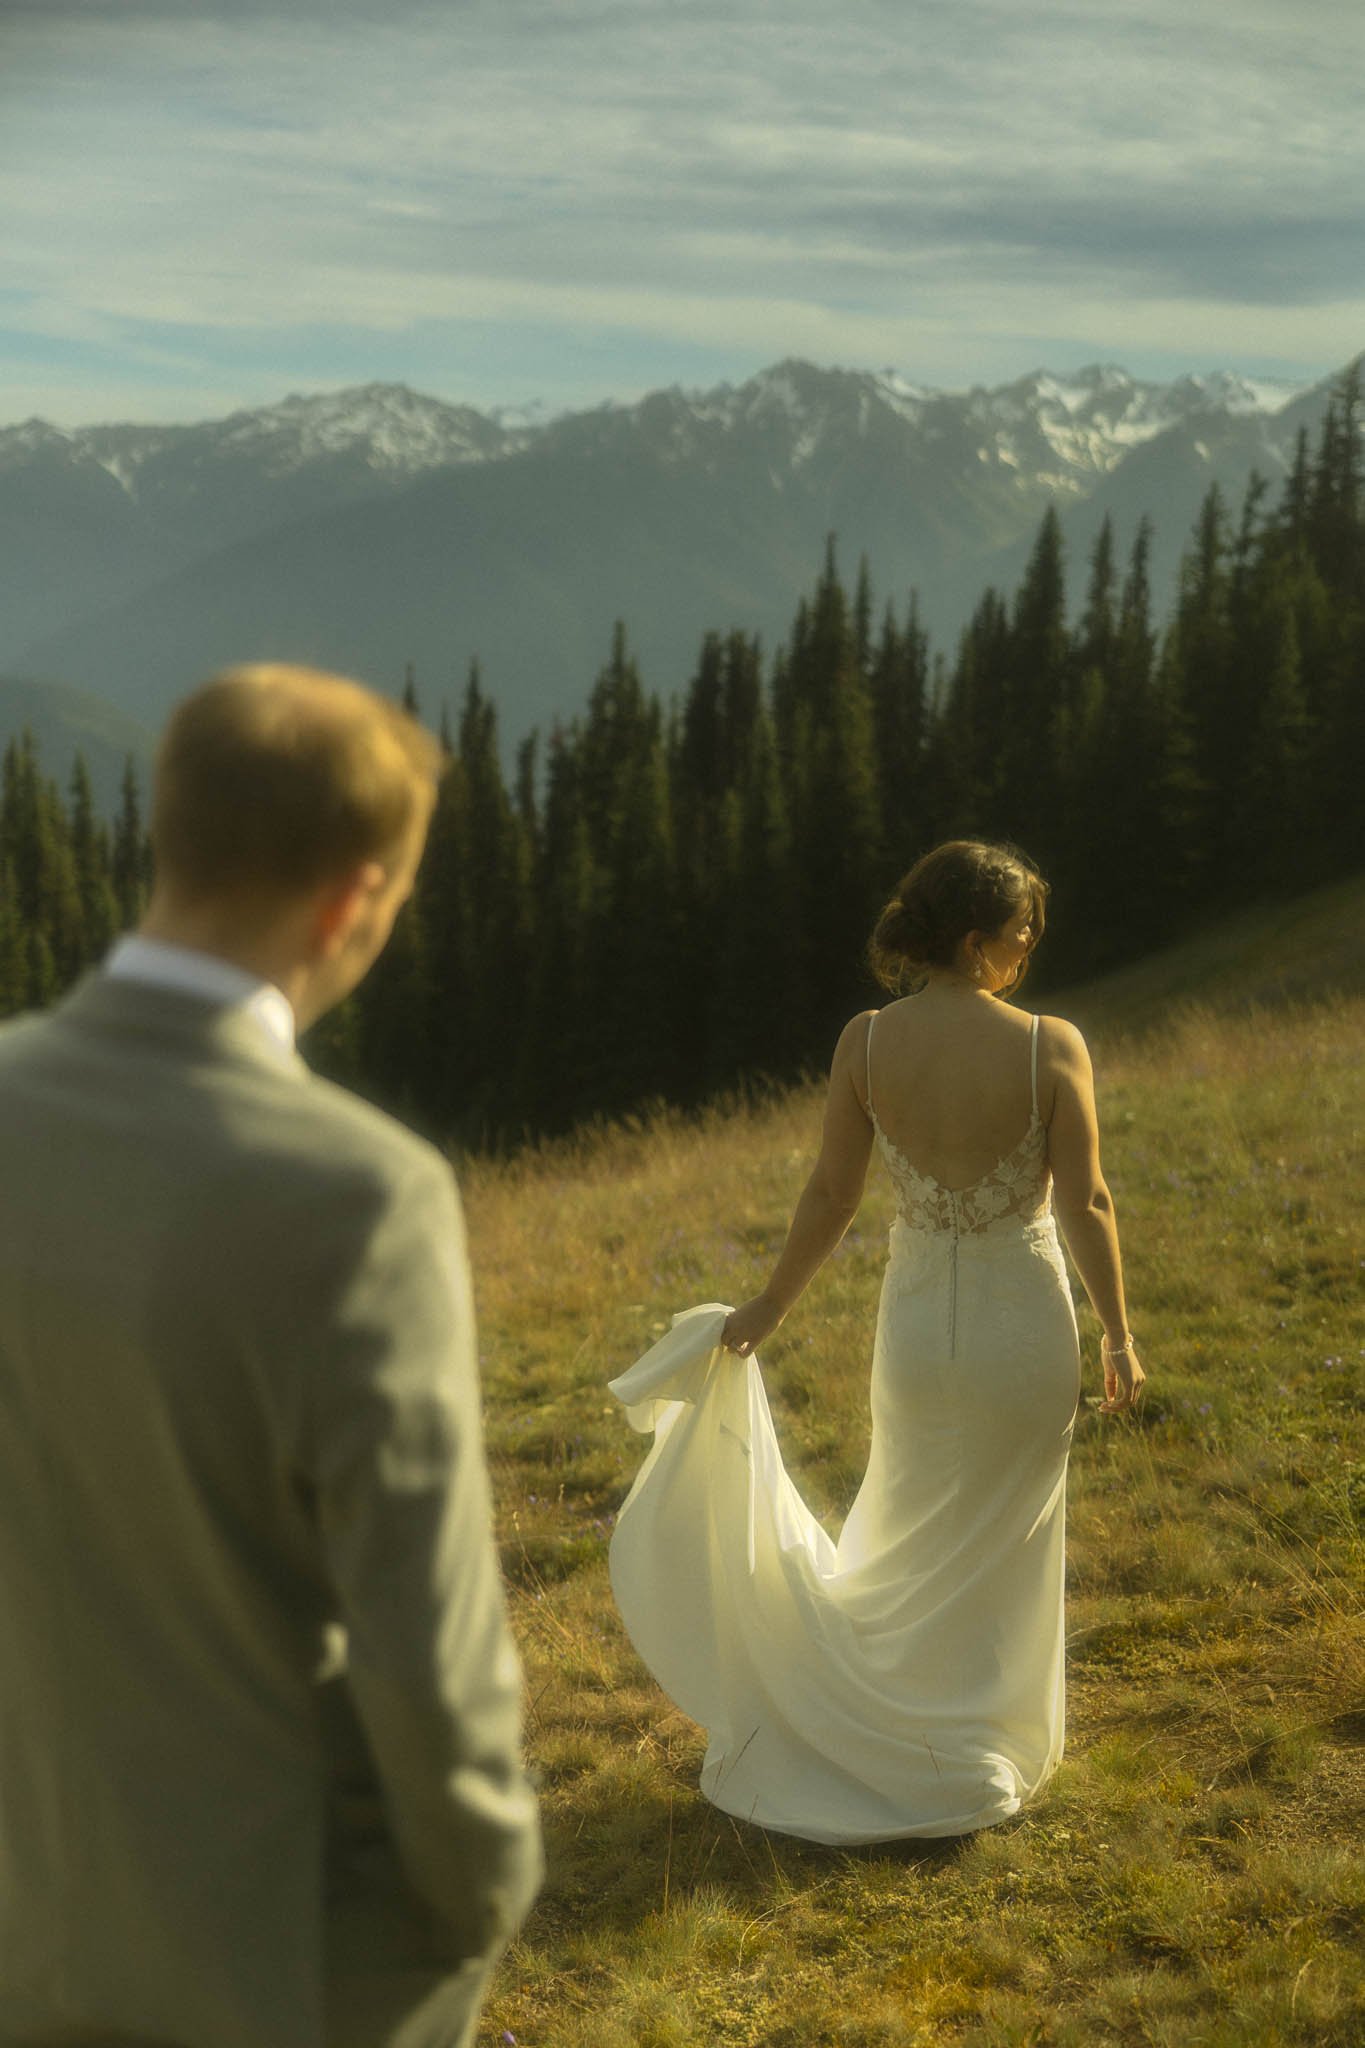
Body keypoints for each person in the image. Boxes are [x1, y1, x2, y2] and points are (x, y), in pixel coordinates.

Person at [0, 665, 542, 2048]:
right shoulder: (359, 1196)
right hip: (274, 1947)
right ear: (352, 899)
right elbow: (428, 1642)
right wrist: (482, 1888)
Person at [608, 839, 1143, 1843]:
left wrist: (767, 1306)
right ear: (980, 941)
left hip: (913, 1334)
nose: (1033, 949)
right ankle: (974, 1736)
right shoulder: (1050, 1045)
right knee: (1000, 1535)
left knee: (905, 1522)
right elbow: (1090, 1199)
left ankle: (887, 1723)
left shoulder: (866, 1041)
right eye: (1025, 932)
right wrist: (1118, 1329)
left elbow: (830, 1193)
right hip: (1023, 1328)